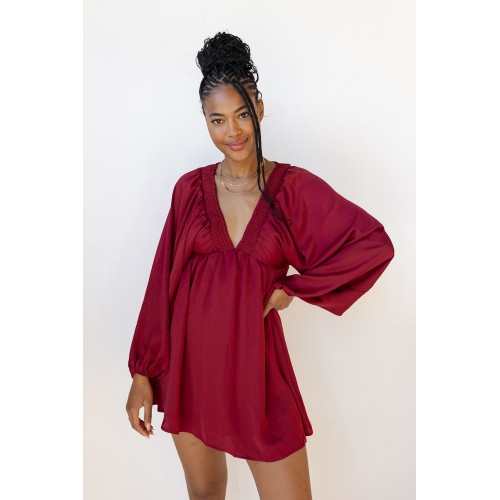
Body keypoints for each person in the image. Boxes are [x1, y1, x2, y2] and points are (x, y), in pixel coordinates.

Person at [125, 31, 395, 500]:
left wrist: (295, 288)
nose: (232, 131)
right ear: (205, 122)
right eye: (217, 119)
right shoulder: (189, 190)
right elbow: (161, 282)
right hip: (189, 371)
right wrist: (142, 374)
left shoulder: (293, 190)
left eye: (242, 114)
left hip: (257, 371)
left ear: (260, 109)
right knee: (205, 494)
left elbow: (371, 244)